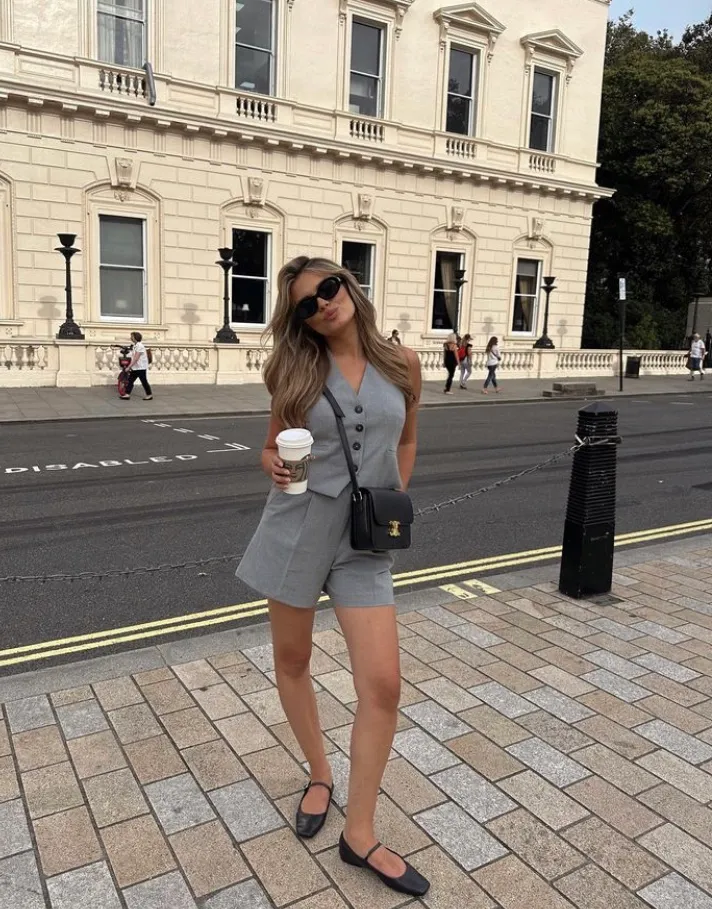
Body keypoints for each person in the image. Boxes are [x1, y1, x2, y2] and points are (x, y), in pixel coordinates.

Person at [235, 256, 429, 897]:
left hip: (364, 541)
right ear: (300, 320)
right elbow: (271, 447)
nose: (322, 303)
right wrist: (276, 466)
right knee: (292, 663)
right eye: (305, 303)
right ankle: (319, 774)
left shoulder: (404, 366)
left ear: (350, 286)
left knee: (384, 686)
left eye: (328, 287)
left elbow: (405, 440)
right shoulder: (291, 370)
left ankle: (360, 833)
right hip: (295, 530)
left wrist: (393, 492)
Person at [120, 331, 153, 400]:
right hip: (136, 367)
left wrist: (129, 367)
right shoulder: (135, 346)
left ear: (135, 338)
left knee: (144, 381)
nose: (130, 338)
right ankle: (127, 394)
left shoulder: (140, 346)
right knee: (130, 380)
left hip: (141, 367)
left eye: (132, 336)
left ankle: (149, 394)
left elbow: (136, 358)